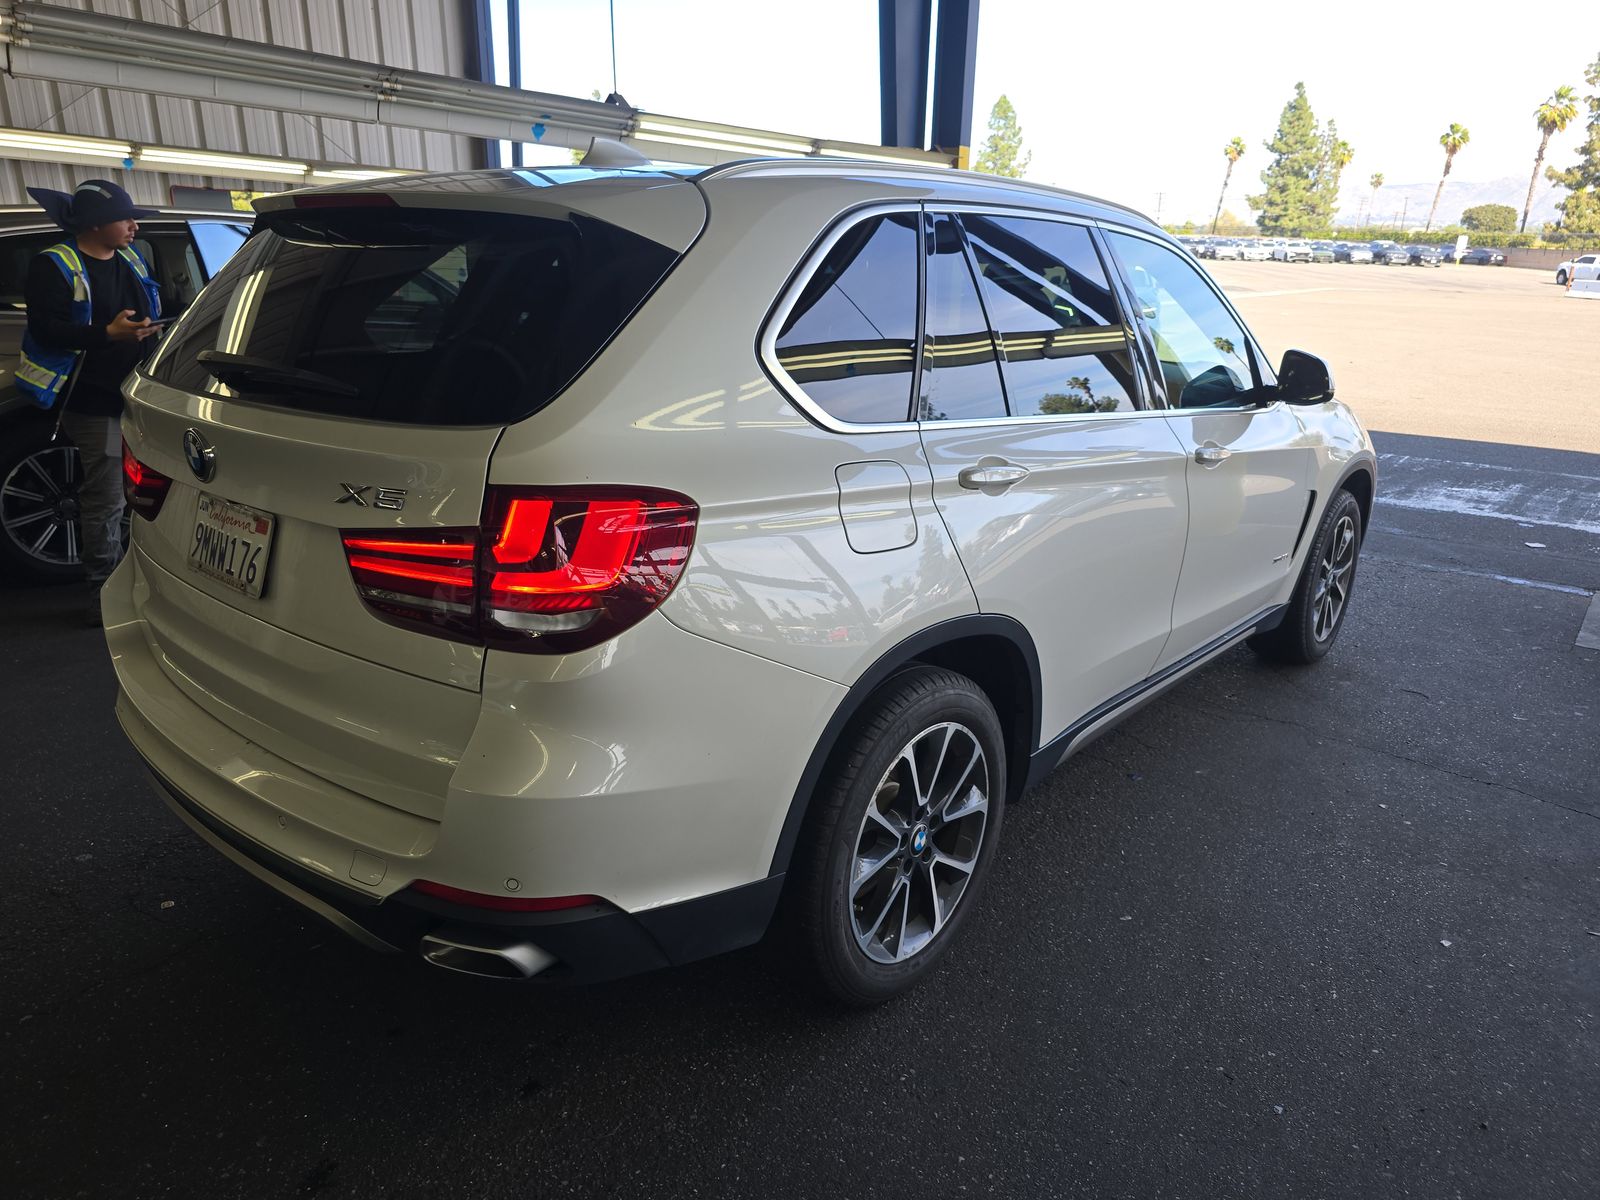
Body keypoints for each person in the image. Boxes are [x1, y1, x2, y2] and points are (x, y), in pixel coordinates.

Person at [21, 179, 162, 625]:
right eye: (126, 218)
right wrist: (107, 334)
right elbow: (47, 331)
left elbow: (141, 309)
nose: (134, 226)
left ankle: (142, 581)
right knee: (106, 500)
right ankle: (103, 594)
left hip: (139, 394)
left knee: (142, 496)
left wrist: (145, 330)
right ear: (97, 224)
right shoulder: (56, 265)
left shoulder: (131, 258)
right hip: (92, 397)